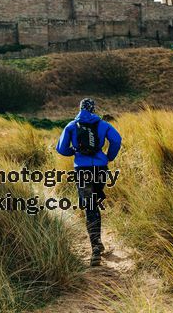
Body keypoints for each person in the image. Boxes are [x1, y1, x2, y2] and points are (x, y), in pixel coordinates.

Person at [55, 98, 122, 266]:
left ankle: (95, 248)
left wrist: (75, 151)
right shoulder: (103, 124)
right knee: (95, 202)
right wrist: (108, 156)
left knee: (90, 207)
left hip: (82, 169)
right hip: (100, 168)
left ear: (80, 109)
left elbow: (61, 149)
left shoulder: (71, 126)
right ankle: (97, 241)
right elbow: (116, 140)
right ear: (93, 109)